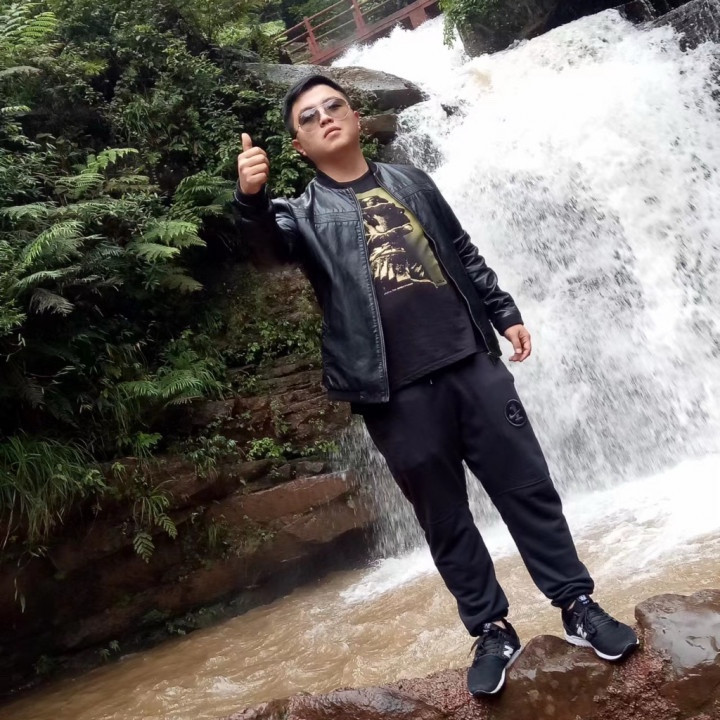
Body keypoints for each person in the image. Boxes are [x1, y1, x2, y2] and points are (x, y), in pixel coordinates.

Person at [233, 74, 639, 697]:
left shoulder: (411, 182)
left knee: (527, 488)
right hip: (394, 393)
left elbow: (461, 250)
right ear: (298, 146)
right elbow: (267, 249)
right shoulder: (302, 215)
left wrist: (503, 311)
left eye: (334, 106)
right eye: (308, 118)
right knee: (444, 518)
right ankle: (491, 630)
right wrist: (251, 199)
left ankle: (577, 605)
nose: (325, 118)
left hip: (470, 361)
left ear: (356, 117)